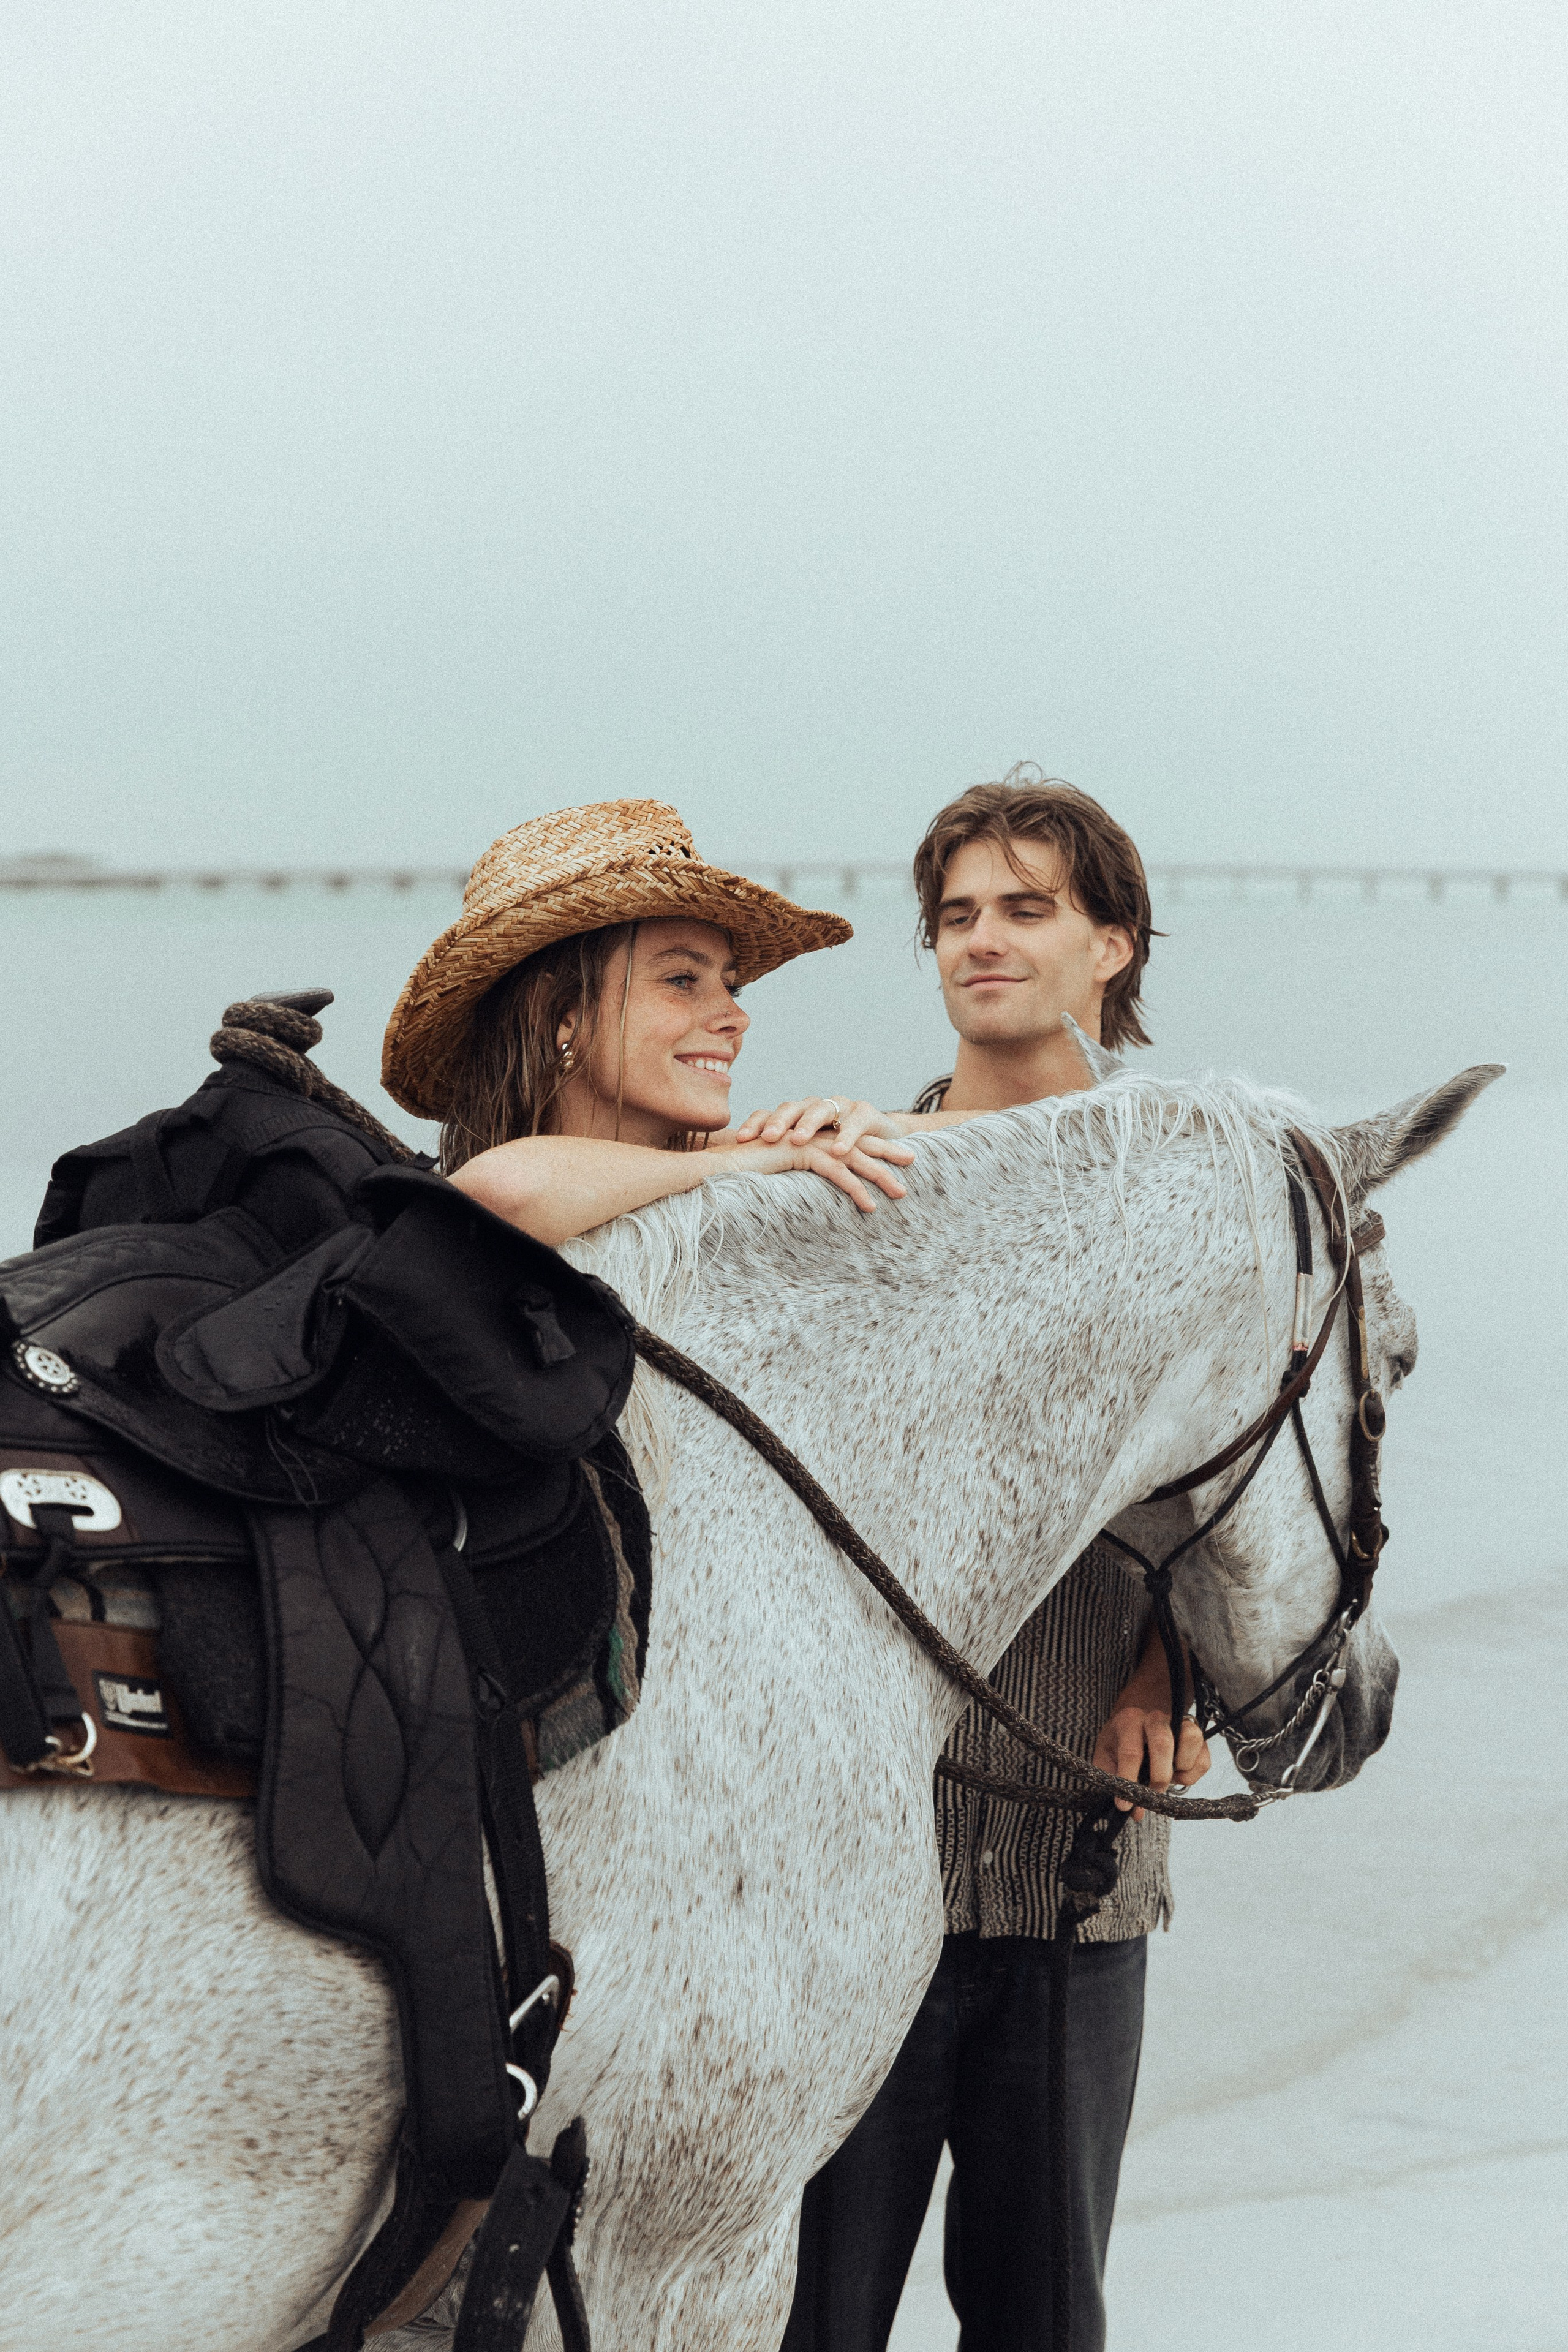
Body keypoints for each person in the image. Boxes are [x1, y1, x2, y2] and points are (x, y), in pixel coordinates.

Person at [769, 770, 1213, 2352]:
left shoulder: (1177, 1193)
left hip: (1076, 1865)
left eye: (1026, 909)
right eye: (955, 916)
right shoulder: (862, 1176)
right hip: (852, 1870)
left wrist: (1174, 1668)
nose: (980, 942)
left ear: (1115, 942)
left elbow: (1251, 1490)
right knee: (806, 2322)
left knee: (1041, 2321)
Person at [379, 795, 918, 1243]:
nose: (736, 1017)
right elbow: (502, 1192)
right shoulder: (503, 1188)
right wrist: (749, 1163)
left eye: (731, 985)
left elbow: (961, 1122)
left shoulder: (724, 1152)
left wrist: (849, 1121)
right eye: (683, 980)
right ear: (560, 1014)